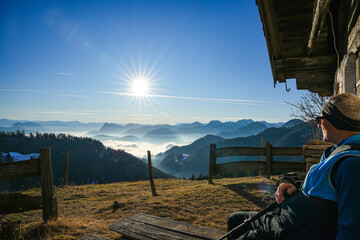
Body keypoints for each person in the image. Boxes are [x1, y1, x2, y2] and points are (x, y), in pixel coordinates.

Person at [227, 93, 360, 240]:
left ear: (336, 121)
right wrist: (291, 185)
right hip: (285, 219)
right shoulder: (335, 152)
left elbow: (351, 231)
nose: (318, 124)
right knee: (235, 220)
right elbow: (321, 192)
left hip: (291, 230)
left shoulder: (351, 164)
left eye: (320, 119)